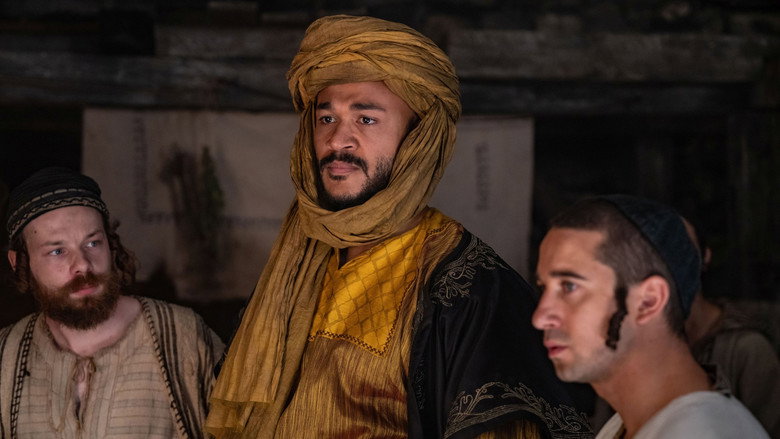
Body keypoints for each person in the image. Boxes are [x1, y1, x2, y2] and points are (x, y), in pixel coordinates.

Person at [206, 14, 592, 439]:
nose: (337, 141)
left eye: (366, 119)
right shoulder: (298, 261)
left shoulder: (473, 290)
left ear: (418, 138)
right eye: (326, 118)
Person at [0, 167, 225, 438]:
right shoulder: (5, 356)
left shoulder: (185, 336)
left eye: (93, 243)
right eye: (57, 251)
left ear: (110, 243)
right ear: (19, 263)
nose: (83, 265)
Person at [533, 194, 768, 438]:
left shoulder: (701, 433)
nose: (540, 318)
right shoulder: (632, 420)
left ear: (648, 301)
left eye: (569, 286)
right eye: (544, 288)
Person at [683, 221, 780, 437]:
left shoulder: (747, 348)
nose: (668, 260)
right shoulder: (635, 344)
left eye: (681, 246)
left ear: (705, 256)